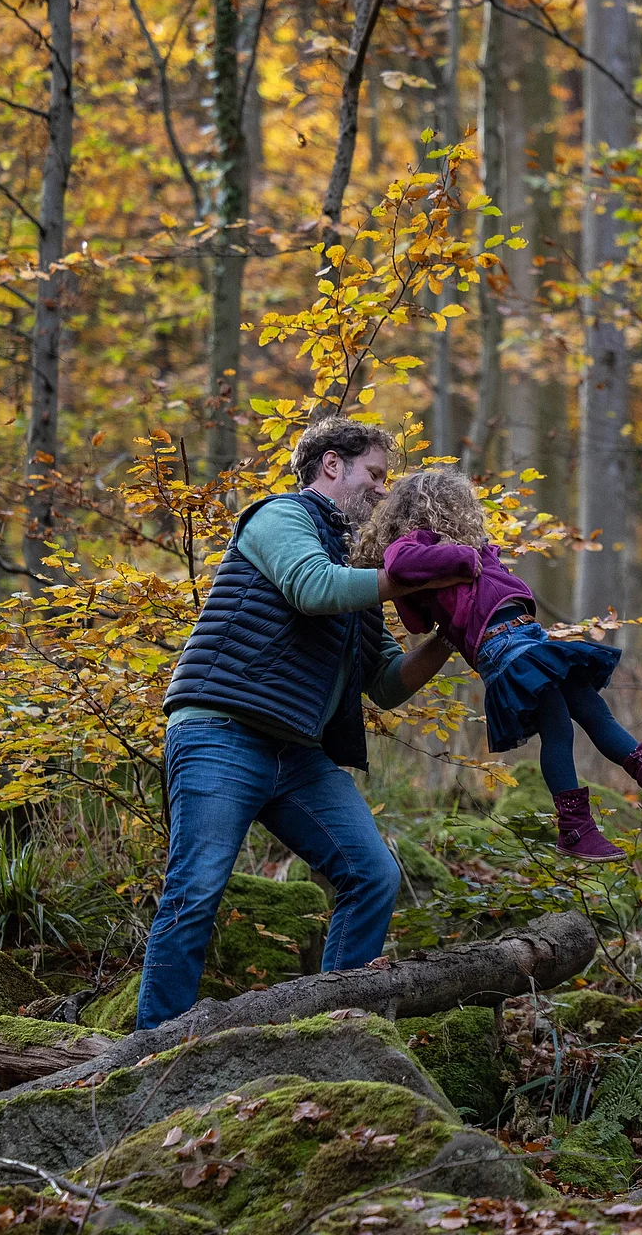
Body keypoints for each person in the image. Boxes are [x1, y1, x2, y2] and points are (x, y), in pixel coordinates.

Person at [140, 418, 465, 1032]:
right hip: (221, 730)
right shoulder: (279, 517)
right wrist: (427, 573)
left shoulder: (356, 569)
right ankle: (151, 1053)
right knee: (196, 892)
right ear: (332, 465)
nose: (380, 489)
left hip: (297, 751)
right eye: (373, 474)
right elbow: (312, 589)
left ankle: (328, 1031)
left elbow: (387, 684)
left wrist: (451, 635)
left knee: (372, 874)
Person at [352, 468, 642, 859]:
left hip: (527, 638)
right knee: (558, 728)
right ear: (438, 505)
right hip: (501, 647)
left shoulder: (470, 550)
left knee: (594, 710)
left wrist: (477, 553)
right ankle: (575, 828)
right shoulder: (418, 544)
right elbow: (398, 564)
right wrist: (463, 555)